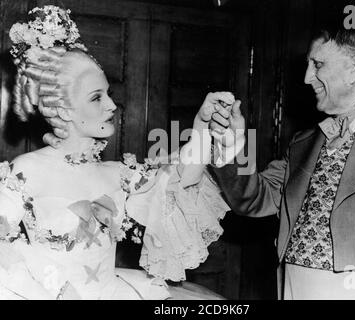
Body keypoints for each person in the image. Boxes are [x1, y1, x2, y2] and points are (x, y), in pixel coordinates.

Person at [0, 5, 232, 300]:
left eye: (108, 93)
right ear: (62, 109)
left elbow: (182, 179)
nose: (111, 106)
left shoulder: (117, 174)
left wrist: (201, 128)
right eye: (96, 97)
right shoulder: (26, 170)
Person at [208, 29, 355, 299]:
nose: (307, 77)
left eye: (318, 65)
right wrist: (233, 144)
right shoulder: (305, 140)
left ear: (352, 69)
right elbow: (253, 199)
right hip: (296, 284)